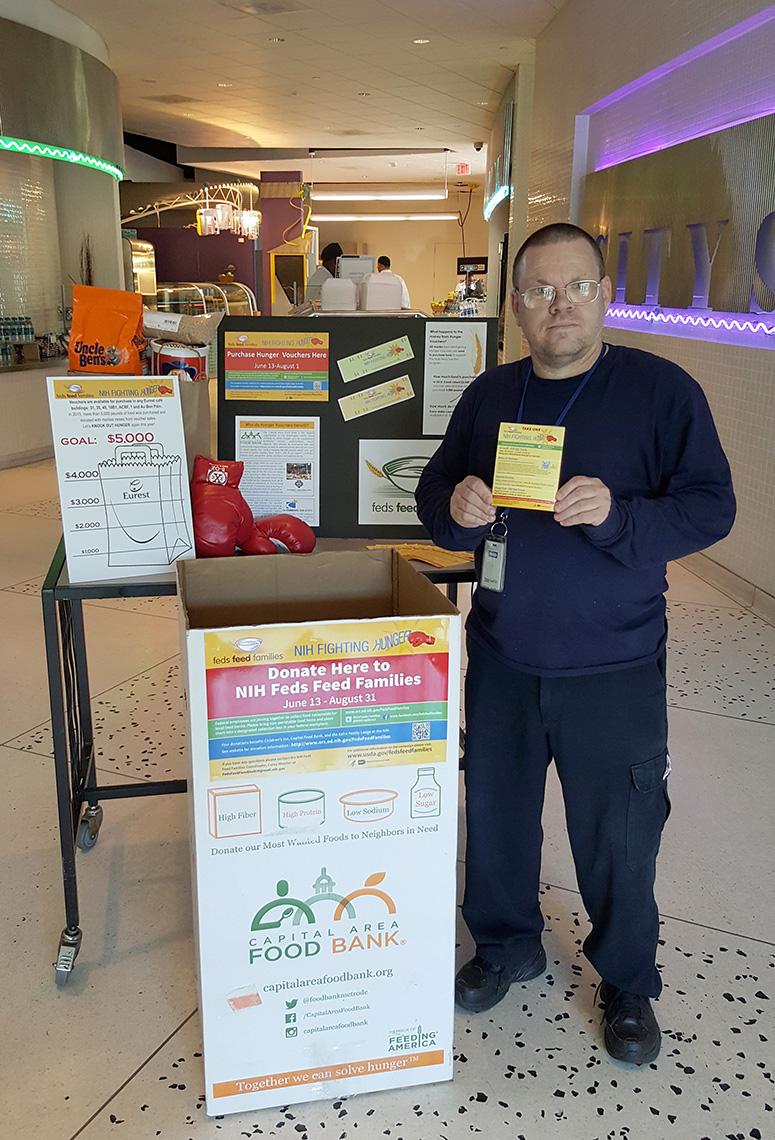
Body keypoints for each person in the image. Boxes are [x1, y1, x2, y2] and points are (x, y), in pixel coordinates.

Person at [415, 222, 735, 1066]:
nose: (559, 305)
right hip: (503, 654)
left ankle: (628, 981)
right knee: (498, 817)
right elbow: (433, 490)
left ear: (604, 294)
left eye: (577, 287)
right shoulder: (489, 395)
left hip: (614, 665)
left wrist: (620, 516)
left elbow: (711, 507)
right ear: (515, 304)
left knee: (619, 834)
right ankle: (505, 944)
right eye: (539, 290)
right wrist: (459, 508)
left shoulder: (661, 392)